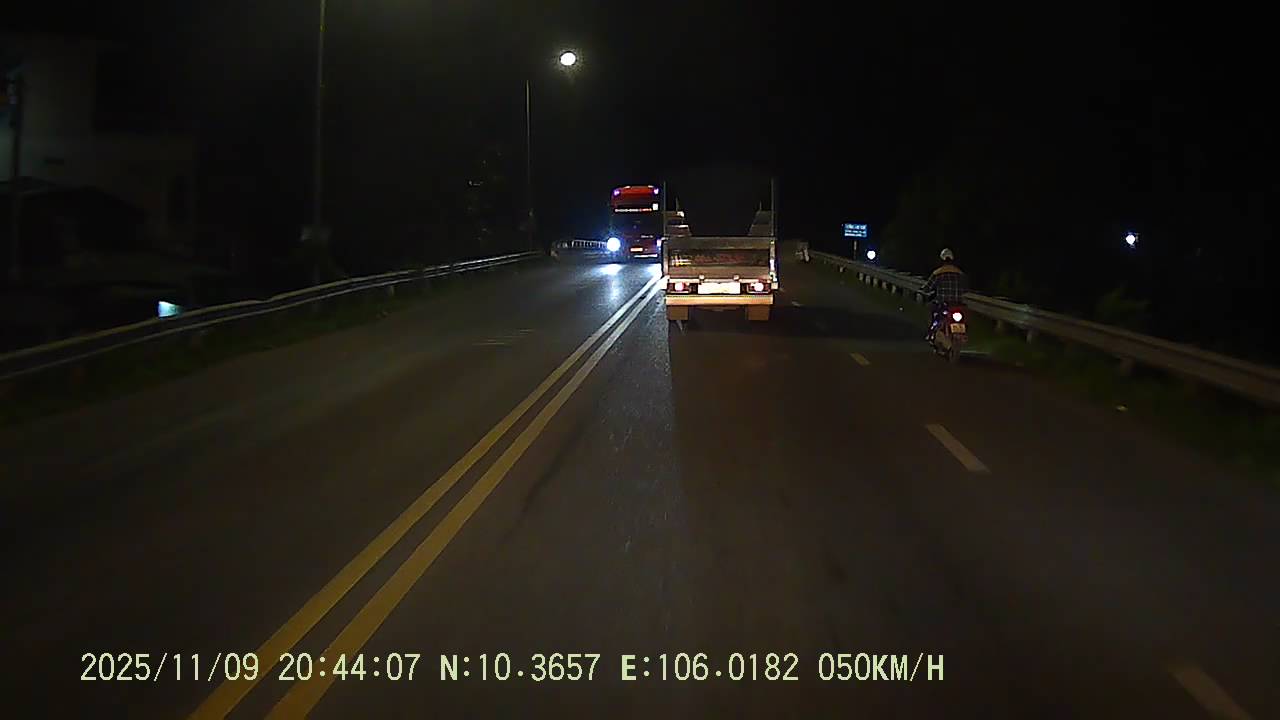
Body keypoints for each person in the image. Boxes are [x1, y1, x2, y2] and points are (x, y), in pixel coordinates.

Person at [921, 248, 969, 341]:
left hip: (943, 304)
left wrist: (923, 290)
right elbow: (965, 289)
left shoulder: (938, 273)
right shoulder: (960, 273)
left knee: (931, 310)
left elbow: (928, 287)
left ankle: (931, 333)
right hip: (957, 304)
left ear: (941, 260)